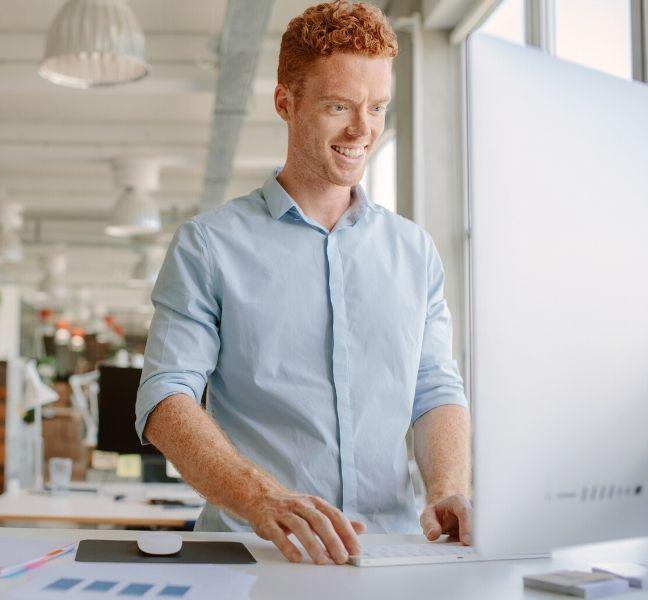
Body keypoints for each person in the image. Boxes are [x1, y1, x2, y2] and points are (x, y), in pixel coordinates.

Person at [135, 0, 472, 566]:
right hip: (256, 553)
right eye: (339, 106)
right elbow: (166, 398)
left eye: (378, 107)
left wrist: (446, 490)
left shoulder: (414, 252)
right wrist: (263, 498)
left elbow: (435, 389)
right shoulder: (210, 245)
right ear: (285, 103)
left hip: (391, 556)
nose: (362, 129)